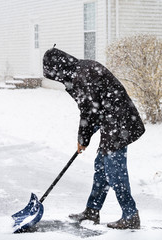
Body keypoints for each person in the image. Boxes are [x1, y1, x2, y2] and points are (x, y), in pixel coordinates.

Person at [43, 47, 145, 229]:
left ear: (59, 68)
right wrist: (86, 136)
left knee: (115, 171)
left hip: (119, 123)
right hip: (112, 122)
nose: (58, 79)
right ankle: (92, 210)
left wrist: (83, 139)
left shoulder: (82, 75)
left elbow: (89, 111)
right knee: (101, 167)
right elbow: (94, 109)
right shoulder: (80, 70)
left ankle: (130, 215)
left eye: (55, 75)